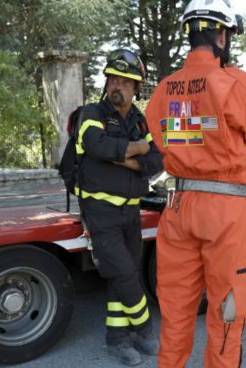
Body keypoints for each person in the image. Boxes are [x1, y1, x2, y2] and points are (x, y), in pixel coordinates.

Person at [144, 0, 246, 366]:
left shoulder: (164, 88)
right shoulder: (232, 82)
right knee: (228, 310)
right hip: (224, 210)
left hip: (178, 207)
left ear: (190, 34)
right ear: (223, 35)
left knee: (175, 311)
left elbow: (161, 140)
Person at [76, 48, 163, 366]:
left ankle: (117, 339)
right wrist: (137, 150)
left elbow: (156, 159)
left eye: (126, 81)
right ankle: (145, 329)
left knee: (120, 275)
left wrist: (127, 158)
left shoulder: (140, 122)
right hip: (101, 211)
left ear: (136, 87)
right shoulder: (91, 114)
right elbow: (96, 146)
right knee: (126, 273)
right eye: (113, 78)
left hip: (131, 211)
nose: (118, 85)